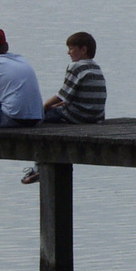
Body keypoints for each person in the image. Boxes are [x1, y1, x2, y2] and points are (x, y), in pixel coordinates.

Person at [21, 31, 107, 184]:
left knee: (35, 121)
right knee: (54, 113)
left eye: (71, 48)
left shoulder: (76, 66)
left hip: (77, 116)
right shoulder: (96, 67)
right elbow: (75, 96)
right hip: (95, 117)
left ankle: (39, 167)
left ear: (83, 49)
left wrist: (44, 107)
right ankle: (42, 165)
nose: (68, 52)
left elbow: (62, 95)